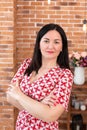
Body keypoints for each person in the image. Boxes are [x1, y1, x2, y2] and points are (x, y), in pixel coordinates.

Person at [7, 23, 73, 130]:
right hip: (21, 126)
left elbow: (50, 115)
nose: (50, 46)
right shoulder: (27, 64)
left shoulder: (64, 75)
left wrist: (19, 95)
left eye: (56, 42)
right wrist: (40, 105)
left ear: (62, 47)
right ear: (39, 44)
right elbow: (9, 96)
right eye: (46, 41)